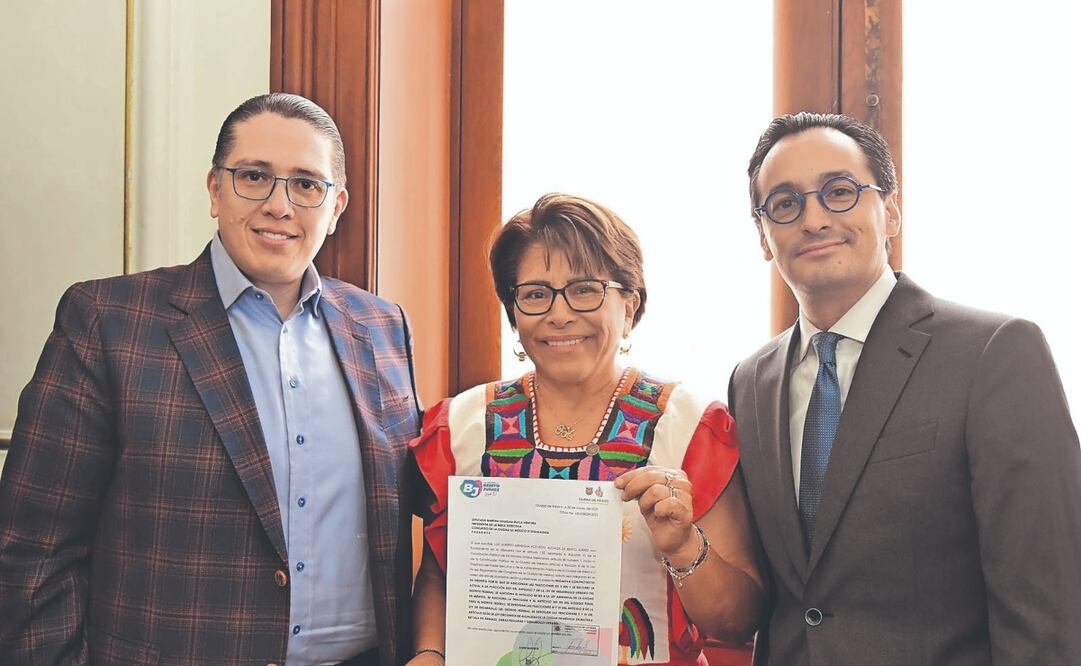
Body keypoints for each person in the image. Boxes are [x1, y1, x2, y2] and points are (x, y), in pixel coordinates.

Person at [0, 93, 421, 666]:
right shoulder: (109, 321)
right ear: (215, 189)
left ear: (337, 205)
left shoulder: (381, 327)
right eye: (254, 176)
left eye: (306, 184)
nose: (280, 204)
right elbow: (32, 549)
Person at [728, 112, 1081, 665]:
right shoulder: (750, 382)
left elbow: (1049, 605)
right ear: (764, 237)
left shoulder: (994, 353)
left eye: (840, 192)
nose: (814, 218)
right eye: (785, 203)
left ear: (890, 211)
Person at [408, 193, 765, 665]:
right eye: (535, 294)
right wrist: (429, 653)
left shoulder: (691, 428)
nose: (559, 313)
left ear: (630, 303)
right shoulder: (460, 426)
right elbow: (439, 571)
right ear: (514, 313)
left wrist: (683, 545)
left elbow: (738, 621)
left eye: (584, 289)